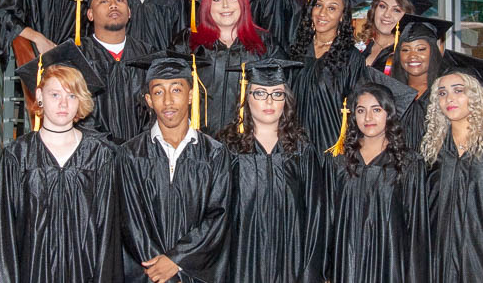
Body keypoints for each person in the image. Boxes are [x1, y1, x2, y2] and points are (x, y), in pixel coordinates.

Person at [0, 40, 122, 283]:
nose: (63, 103)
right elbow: (4, 236)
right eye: (55, 94)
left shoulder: (99, 156)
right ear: (39, 95)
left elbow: (107, 239)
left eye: (71, 95)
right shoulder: (17, 156)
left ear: (81, 99)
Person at [118, 54, 231, 282]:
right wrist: (159, 269)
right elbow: (131, 221)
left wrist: (176, 261)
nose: (168, 101)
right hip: (148, 274)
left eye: (176, 90)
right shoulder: (130, 154)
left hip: (195, 275)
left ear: (190, 96)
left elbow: (218, 217)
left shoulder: (215, 154)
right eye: (158, 92)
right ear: (149, 100)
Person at [218, 59, 328, 282]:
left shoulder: (302, 150)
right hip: (241, 264)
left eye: (277, 94)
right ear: (246, 97)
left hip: (291, 264)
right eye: (259, 93)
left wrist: (310, 272)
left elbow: (317, 215)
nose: (269, 101)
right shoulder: (228, 149)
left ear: (286, 100)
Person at [327, 82, 430, 282]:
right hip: (347, 263)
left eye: (376, 109)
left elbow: (416, 227)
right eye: (360, 110)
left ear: (390, 113)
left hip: (390, 264)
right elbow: (329, 222)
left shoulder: (408, 163)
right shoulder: (339, 163)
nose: (368, 118)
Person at [171, 0, 286, 136]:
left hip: (249, 143)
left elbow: (281, 96)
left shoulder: (265, 43)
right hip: (200, 142)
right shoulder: (189, 42)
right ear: (207, 5)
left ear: (243, 2)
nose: (225, 5)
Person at [290, 0, 369, 152]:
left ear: (342, 16)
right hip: (295, 148)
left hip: (332, 149)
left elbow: (358, 106)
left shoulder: (351, 58)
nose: (322, 13)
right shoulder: (297, 51)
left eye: (332, 8)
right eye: (318, 5)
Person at [421, 68, 483, 283]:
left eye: (458, 90)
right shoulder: (432, 153)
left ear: (474, 95)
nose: (449, 98)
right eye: (442, 93)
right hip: (437, 258)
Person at [74, 0, 151, 143]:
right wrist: (107, 145)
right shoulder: (77, 56)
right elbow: (77, 112)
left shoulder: (148, 55)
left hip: (140, 155)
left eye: (120, 0)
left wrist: (137, 147)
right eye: (103, 1)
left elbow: (156, 108)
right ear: (90, 14)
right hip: (92, 154)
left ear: (130, 12)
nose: (113, 5)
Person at [391, 14, 452, 150]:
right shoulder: (391, 93)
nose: (412, 56)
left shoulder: (445, 93)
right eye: (405, 50)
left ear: (433, 52)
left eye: (421, 49)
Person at [356, 0, 432, 72]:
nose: (387, 14)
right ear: (374, 9)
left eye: (396, 10)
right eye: (382, 6)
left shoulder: (407, 57)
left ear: (408, 17)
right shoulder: (360, 47)